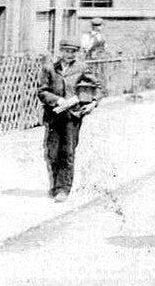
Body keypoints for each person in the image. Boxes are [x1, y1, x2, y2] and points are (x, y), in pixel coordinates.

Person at [37, 38, 100, 203]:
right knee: (52, 152)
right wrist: (56, 100)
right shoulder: (49, 68)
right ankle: (56, 184)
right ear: (61, 51)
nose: (69, 54)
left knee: (67, 152)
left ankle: (63, 188)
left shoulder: (82, 68)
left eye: (73, 51)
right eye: (66, 51)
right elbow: (42, 91)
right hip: (54, 115)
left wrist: (93, 103)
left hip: (72, 116)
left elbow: (97, 86)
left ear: (76, 53)